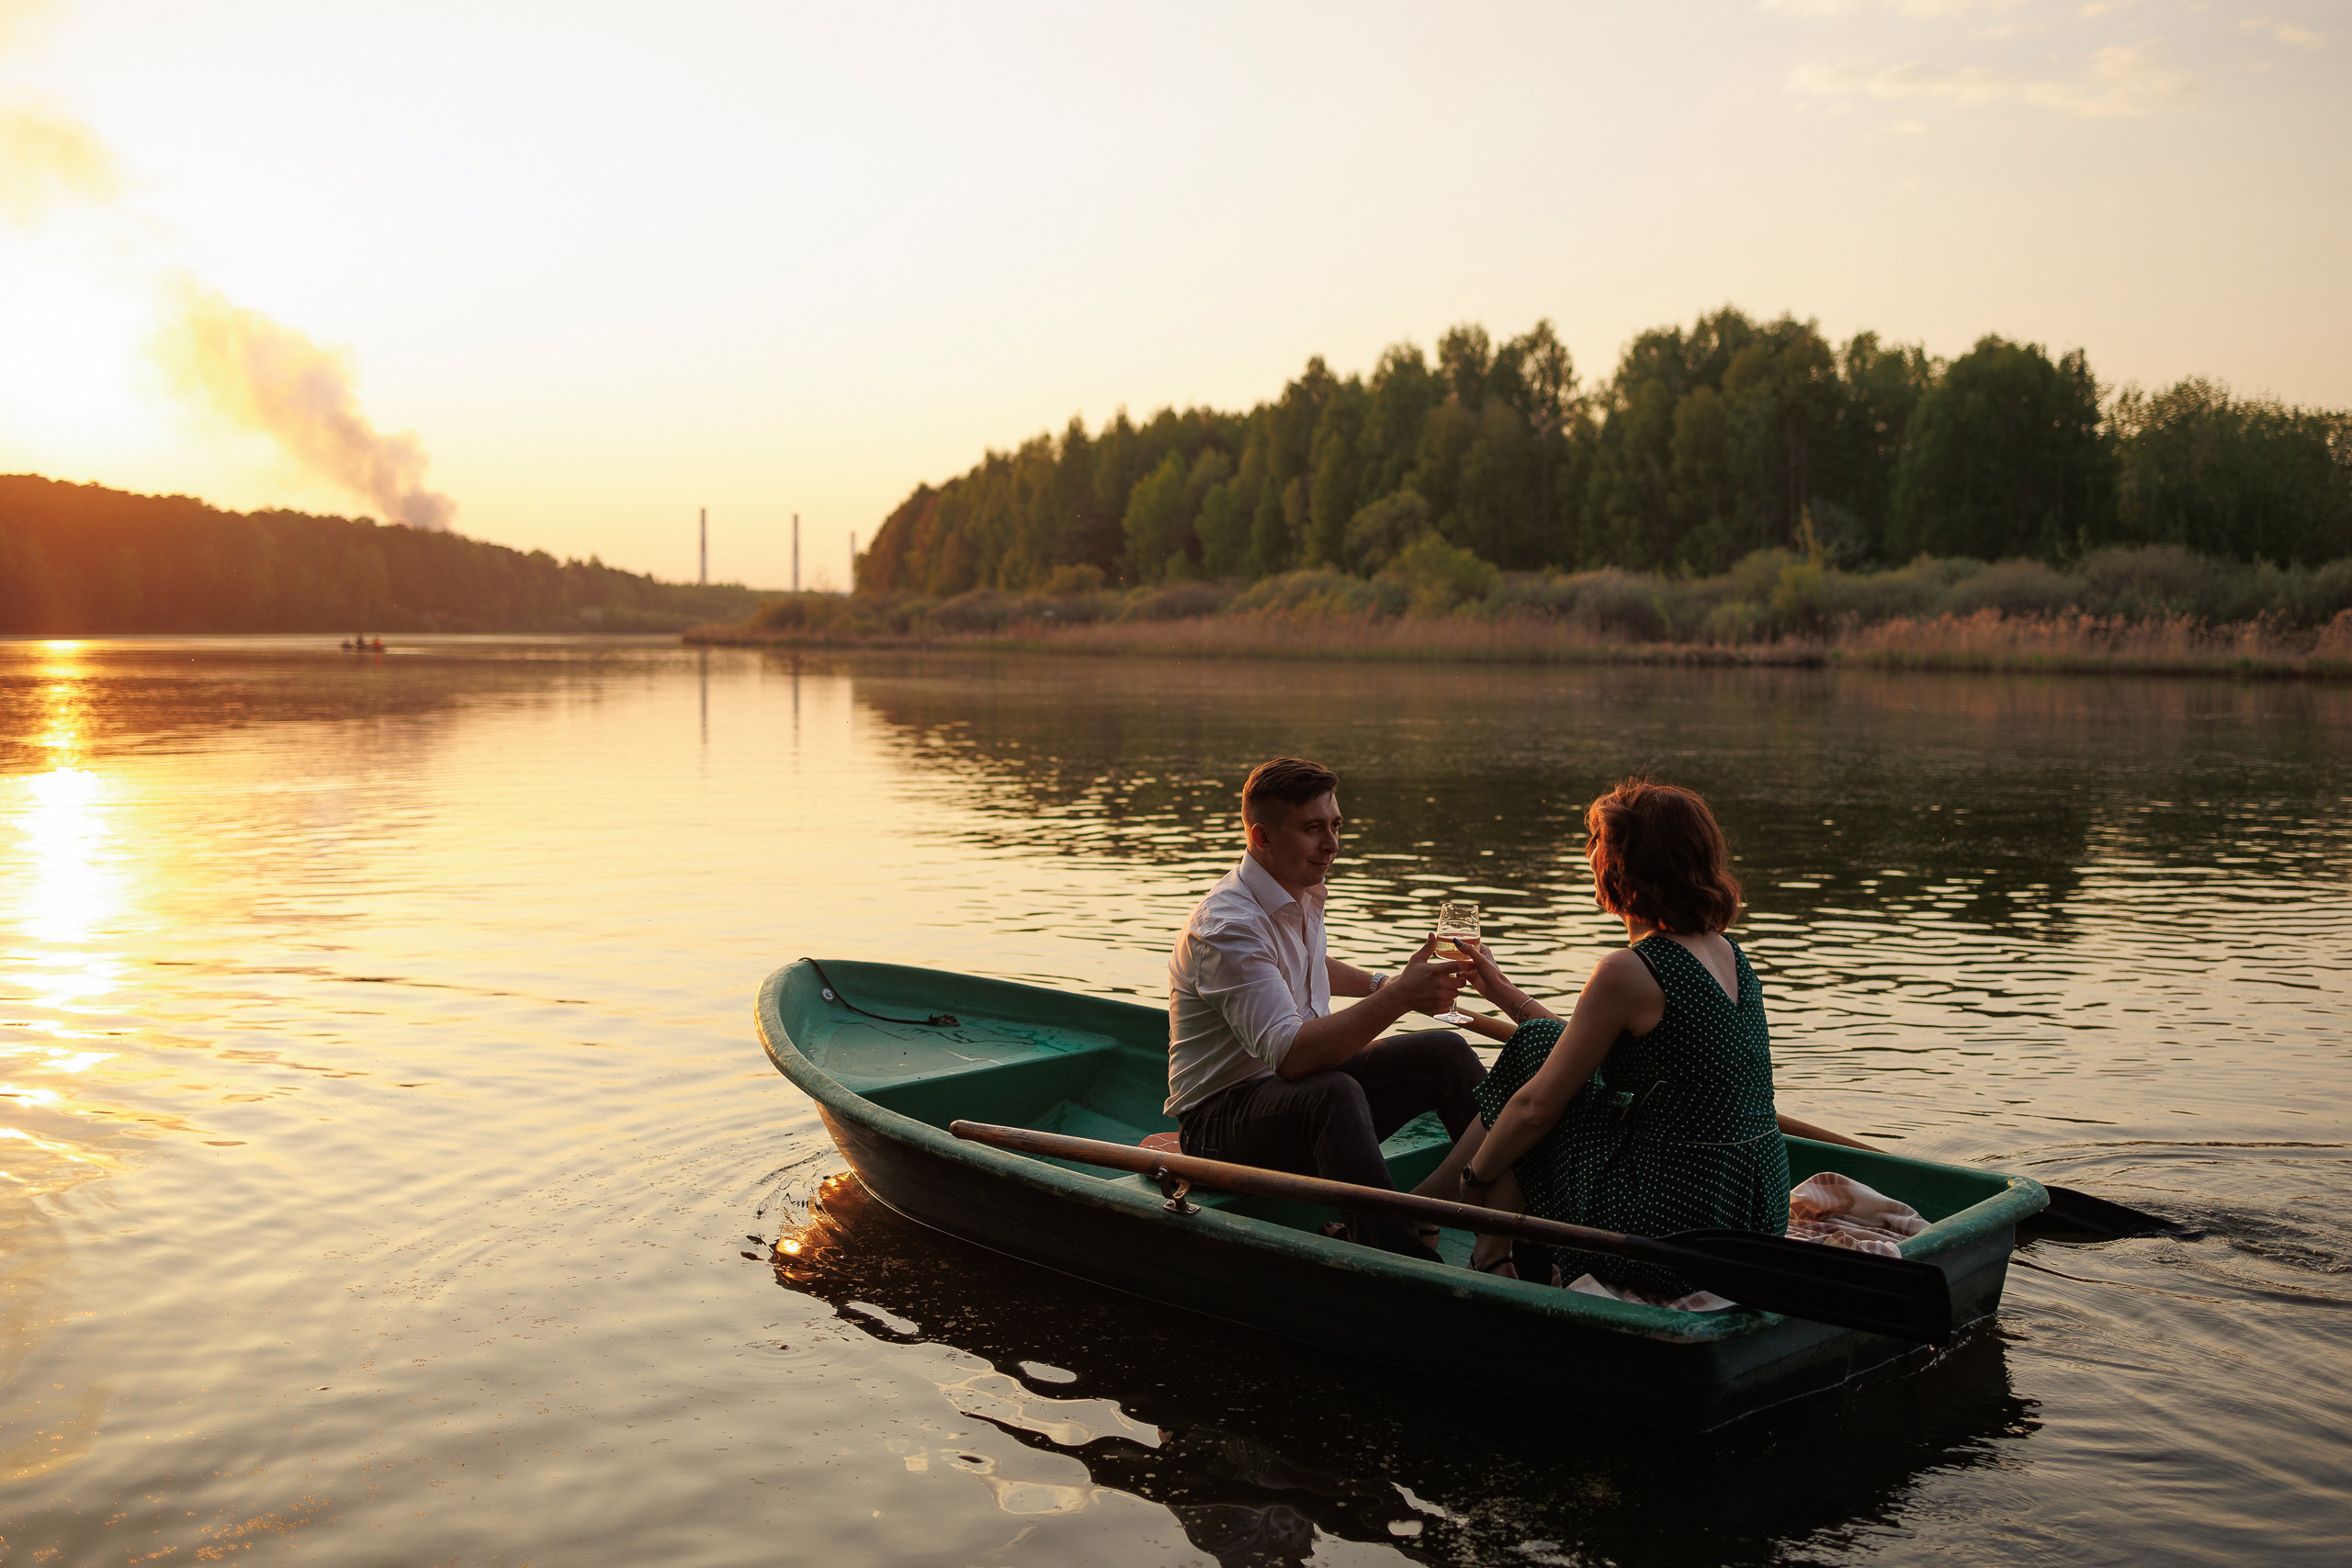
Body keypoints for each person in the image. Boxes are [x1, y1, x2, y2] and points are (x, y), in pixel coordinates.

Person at [1441, 778, 1788, 1295]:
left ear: (1621, 865)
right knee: (1543, 1048)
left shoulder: (1629, 971)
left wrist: (1475, 1179)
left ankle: (1486, 1246)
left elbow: (1537, 1106)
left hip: (1674, 1237)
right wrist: (1504, 992)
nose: (1590, 855)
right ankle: (1488, 1245)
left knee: (1535, 1060)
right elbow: (1584, 1048)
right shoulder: (1728, 954)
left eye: (1597, 844)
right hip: (1756, 1215)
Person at [1166, 757, 1485, 1261]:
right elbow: (1292, 1057)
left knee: (1444, 1050)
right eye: (1313, 829)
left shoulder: (1297, 887)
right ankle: (1405, 1263)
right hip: (1218, 1122)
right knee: (1332, 1093)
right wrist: (1399, 998)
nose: (1332, 845)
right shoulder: (1226, 926)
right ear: (1262, 838)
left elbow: (1305, 962)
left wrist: (1386, 982)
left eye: (1335, 826)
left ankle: (1521, 1232)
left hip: (1293, 1093)